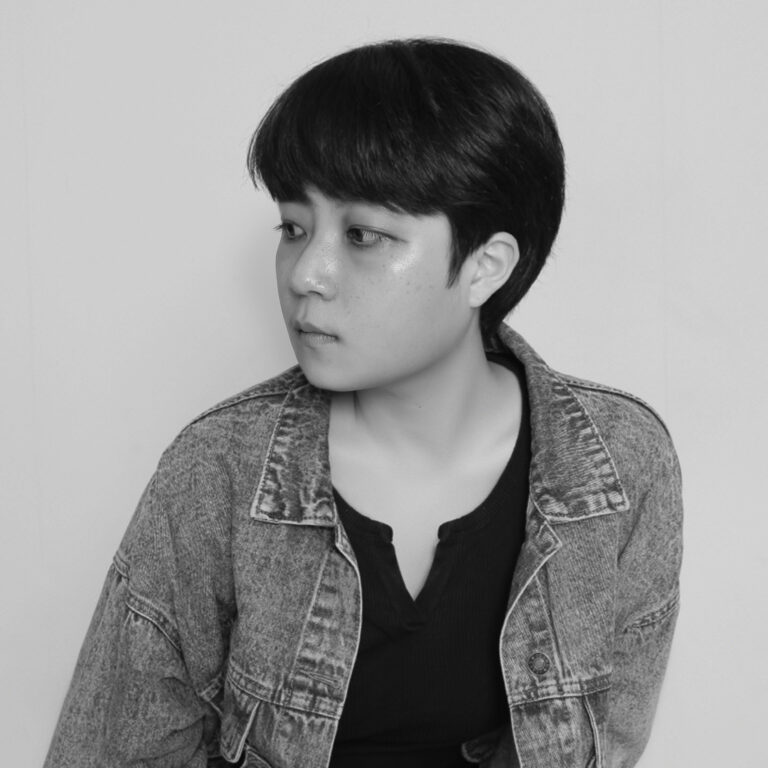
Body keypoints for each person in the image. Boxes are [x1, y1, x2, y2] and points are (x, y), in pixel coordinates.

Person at [44, 38, 683, 768]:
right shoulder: (217, 469)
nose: (305, 274)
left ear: (486, 266)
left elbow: (606, 743)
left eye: (363, 236)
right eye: (293, 228)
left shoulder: (620, 466)